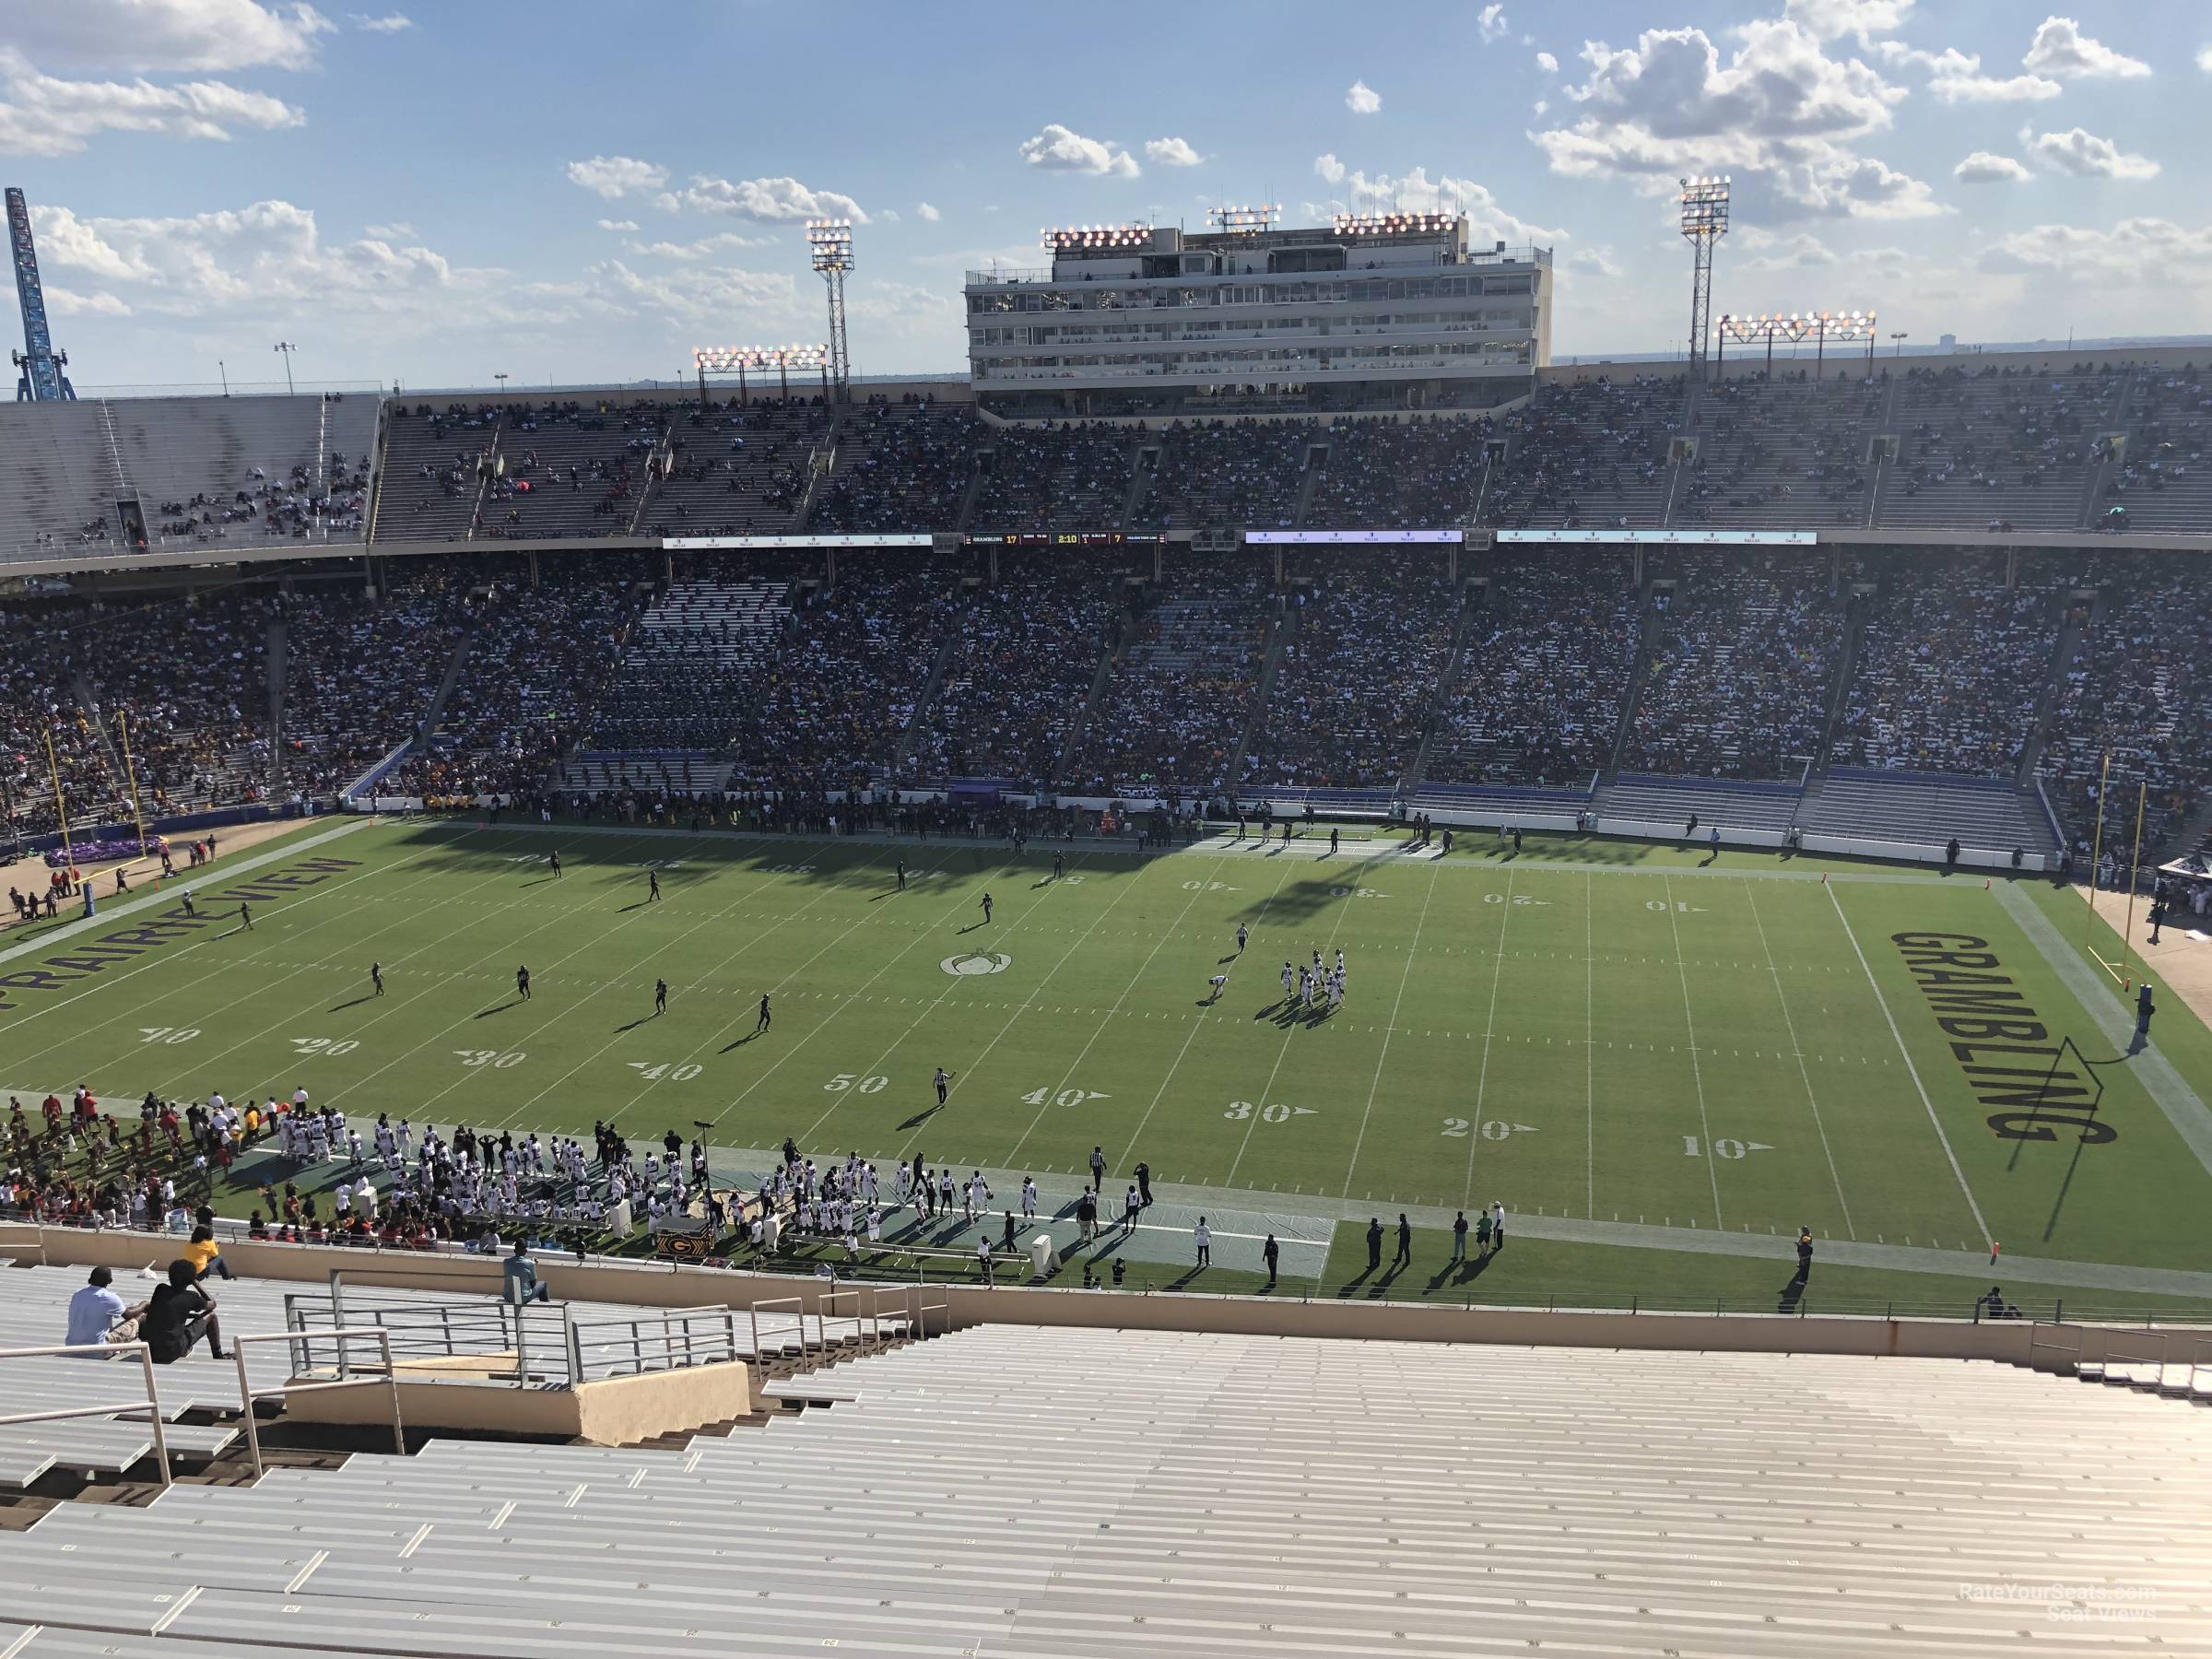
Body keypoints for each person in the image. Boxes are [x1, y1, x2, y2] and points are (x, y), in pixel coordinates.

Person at [145, 1259, 224, 1363]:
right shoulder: (191, 1297)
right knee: (211, 1316)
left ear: (169, 1276)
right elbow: (212, 1304)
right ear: (190, 1279)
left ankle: (184, 1348)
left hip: (151, 1351)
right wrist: (195, 1281)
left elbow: (172, 1311)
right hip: (172, 1352)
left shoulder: (160, 1290)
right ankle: (218, 1355)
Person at [65, 1266, 147, 1354]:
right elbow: (128, 1315)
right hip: (98, 1348)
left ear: (90, 1279)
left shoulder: (78, 1295)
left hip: (71, 1347)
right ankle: (149, 1350)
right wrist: (144, 1304)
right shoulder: (108, 1297)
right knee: (142, 1316)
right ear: (110, 1280)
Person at [502, 1238, 550, 1305]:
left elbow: (518, 1266)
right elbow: (533, 1284)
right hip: (522, 1298)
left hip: (508, 1297)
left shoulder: (506, 1262)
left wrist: (531, 1262)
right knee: (543, 1284)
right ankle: (547, 1306)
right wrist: (532, 1263)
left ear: (514, 1250)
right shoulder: (529, 1264)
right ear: (525, 1250)